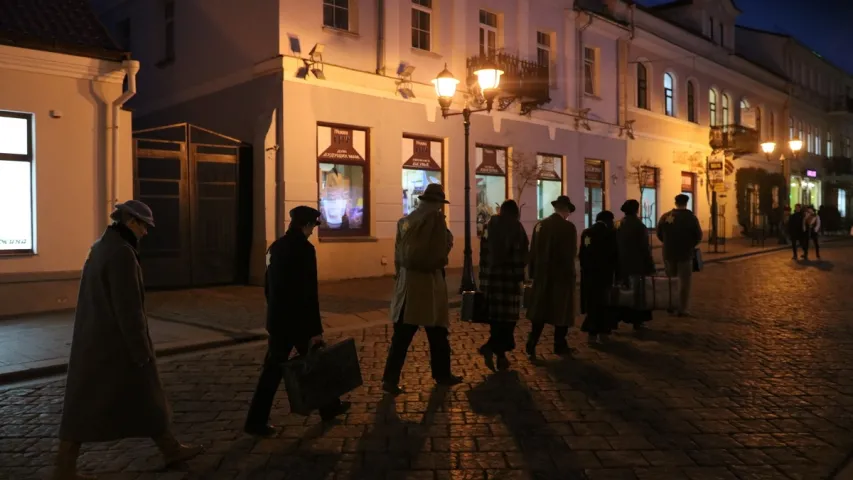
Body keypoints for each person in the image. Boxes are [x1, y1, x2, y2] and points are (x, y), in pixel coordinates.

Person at [55, 200, 202, 480]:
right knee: (114, 400)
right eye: (144, 226)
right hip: (116, 345)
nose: (146, 233)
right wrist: (140, 349)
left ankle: (170, 448)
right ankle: (64, 468)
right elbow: (129, 308)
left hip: (96, 339)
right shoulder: (122, 253)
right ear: (131, 222)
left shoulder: (101, 246)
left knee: (129, 400)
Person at [245, 206, 351, 437]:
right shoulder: (304, 249)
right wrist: (315, 329)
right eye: (313, 225)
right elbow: (308, 293)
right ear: (306, 225)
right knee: (312, 365)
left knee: (274, 371)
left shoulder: (276, 247)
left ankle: (328, 407)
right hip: (299, 322)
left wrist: (272, 313)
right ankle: (256, 422)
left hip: (278, 320)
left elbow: (268, 286)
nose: (313, 230)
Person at [383, 184, 463, 395]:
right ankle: (442, 374)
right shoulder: (436, 220)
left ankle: (389, 379)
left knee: (401, 338)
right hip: (428, 286)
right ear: (438, 203)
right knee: (437, 334)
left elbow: (397, 256)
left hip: (407, 287)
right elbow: (440, 253)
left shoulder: (405, 222)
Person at [478, 199, 529, 371]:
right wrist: (520, 277)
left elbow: (483, 253)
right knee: (509, 320)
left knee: (496, 320)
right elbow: (519, 255)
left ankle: (500, 355)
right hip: (509, 280)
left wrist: (483, 278)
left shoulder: (488, 227)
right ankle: (494, 350)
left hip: (492, 280)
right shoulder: (516, 228)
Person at [526, 195, 578, 357]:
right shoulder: (568, 228)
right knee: (562, 312)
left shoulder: (540, 225)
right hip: (560, 276)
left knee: (540, 311)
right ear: (566, 210)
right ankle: (559, 344)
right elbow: (570, 254)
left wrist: (533, 273)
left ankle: (532, 342)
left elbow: (532, 251)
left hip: (542, 276)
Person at [657, 194, 703, 317]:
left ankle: (670, 305)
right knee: (684, 282)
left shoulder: (666, 217)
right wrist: (690, 245)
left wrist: (667, 243)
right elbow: (698, 236)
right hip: (685, 254)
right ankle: (682, 309)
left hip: (668, 253)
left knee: (670, 280)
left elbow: (659, 234)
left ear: (675, 202)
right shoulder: (691, 218)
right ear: (686, 203)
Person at [579, 210, 619, 345]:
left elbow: (582, 254)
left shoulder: (587, 232)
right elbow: (615, 255)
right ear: (608, 220)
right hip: (605, 274)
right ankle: (603, 333)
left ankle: (592, 333)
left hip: (590, 275)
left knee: (592, 303)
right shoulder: (610, 233)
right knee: (604, 304)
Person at [616, 200, 655, 331]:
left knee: (624, 290)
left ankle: (621, 317)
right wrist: (650, 264)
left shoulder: (619, 224)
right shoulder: (639, 225)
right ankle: (637, 321)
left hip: (622, 263)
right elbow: (644, 247)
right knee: (638, 293)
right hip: (637, 264)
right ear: (636, 210)